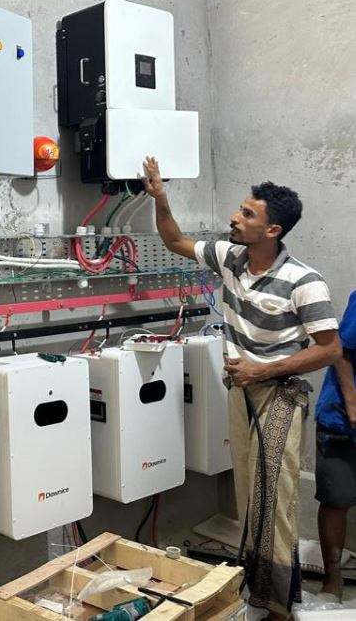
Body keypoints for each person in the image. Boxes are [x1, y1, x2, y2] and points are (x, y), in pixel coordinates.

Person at [142, 156, 341, 620]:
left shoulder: (304, 281)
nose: (235, 217)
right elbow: (173, 240)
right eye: (240, 209)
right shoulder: (230, 258)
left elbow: (330, 350)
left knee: (274, 500)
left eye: (247, 214)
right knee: (250, 496)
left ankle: (279, 607)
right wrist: (160, 197)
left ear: (272, 230)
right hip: (241, 389)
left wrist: (262, 371)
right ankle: (257, 594)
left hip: (280, 394)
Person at [315, 289, 356, 600]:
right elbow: (339, 350)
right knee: (336, 499)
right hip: (342, 420)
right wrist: (352, 406)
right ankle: (332, 580)